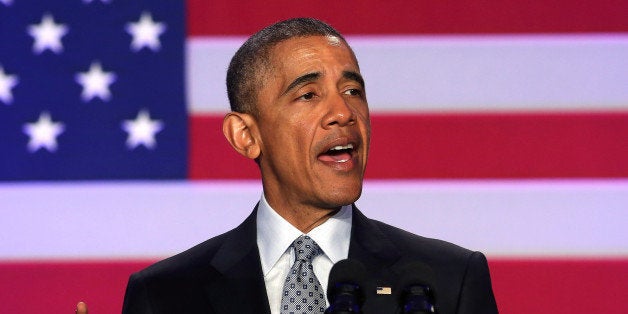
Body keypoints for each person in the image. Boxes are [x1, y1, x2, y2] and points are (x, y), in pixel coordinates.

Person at [110, 17, 497, 313]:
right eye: (309, 94)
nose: (343, 113)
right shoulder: (164, 295)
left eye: (352, 91)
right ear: (246, 135)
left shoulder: (449, 281)